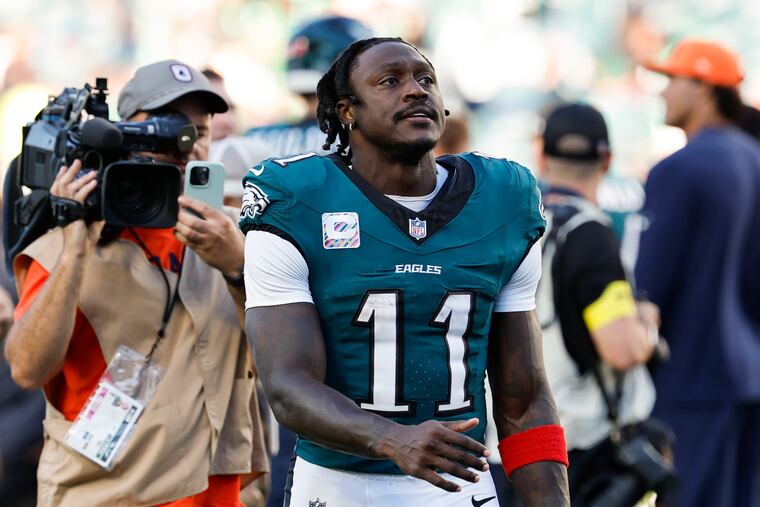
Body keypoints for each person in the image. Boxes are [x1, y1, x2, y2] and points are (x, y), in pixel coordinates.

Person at [241, 37, 570, 507]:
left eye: (426, 79)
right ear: (347, 110)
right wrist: (392, 439)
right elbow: (288, 386)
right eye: (390, 81)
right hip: (339, 485)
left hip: (458, 484)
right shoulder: (298, 198)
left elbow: (524, 400)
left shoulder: (503, 200)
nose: (416, 90)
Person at [4, 60, 268, 506]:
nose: (186, 143)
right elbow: (28, 370)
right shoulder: (69, 238)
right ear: (123, 134)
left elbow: (283, 367)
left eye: (200, 131)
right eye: (167, 128)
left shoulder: (239, 237)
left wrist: (238, 270)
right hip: (103, 494)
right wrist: (75, 250)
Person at [636, 39, 760, 507]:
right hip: (749, 379)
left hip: (693, 382)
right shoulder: (754, 159)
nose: (662, 91)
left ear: (705, 88)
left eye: (672, 79)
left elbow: (649, 287)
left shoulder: (679, 169)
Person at [535, 102, 666, 504]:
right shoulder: (588, 232)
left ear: (541, 153)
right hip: (582, 447)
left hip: (517, 443)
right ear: (607, 159)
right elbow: (621, 348)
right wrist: (646, 324)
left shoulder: (520, 224)